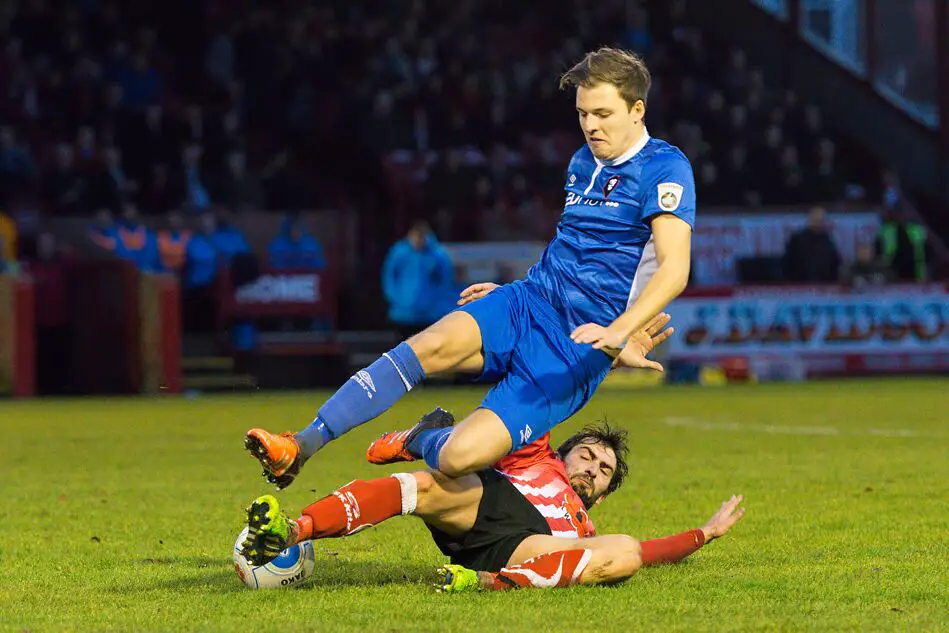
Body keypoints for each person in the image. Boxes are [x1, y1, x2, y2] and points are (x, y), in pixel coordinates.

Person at [245, 47, 695, 491]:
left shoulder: (664, 168)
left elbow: (674, 270)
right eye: (582, 114)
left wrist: (618, 335)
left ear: (637, 110)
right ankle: (301, 445)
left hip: (577, 347)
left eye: (602, 113)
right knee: (427, 346)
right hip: (528, 302)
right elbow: (572, 249)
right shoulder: (583, 162)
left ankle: (422, 437)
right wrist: (513, 289)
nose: (590, 126)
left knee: (461, 457)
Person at [239, 417, 745, 593]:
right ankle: (291, 531)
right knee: (426, 484)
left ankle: (483, 583)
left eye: (603, 470)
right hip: (489, 502)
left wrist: (705, 534)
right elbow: (536, 384)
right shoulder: (538, 456)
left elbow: (650, 551)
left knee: (627, 553)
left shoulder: (584, 525)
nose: (591, 468)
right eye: (586, 455)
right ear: (562, 453)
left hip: (532, 549)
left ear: (607, 491)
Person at [381, 221, 455, 340]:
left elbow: (446, 281)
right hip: (403, 312)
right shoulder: (399, 252)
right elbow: (389, 276)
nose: (417, 242)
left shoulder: (437, 254)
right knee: (402, 346)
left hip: (429, 314)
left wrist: (437, 302)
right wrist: (395, 298)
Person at [782, 207, 841, 283]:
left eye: (820, 220)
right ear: (809, 220)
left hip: (823, 285)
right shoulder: (797, 239)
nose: (818, 223)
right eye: (815, 220)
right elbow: (787, 263)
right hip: (800, 284)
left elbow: (834, 262)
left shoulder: (827, 240)